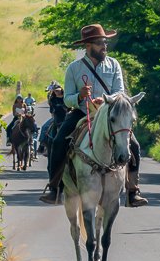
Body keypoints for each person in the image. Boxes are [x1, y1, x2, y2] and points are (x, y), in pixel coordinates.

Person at [39, 23, 149, 207]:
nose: (104, 46)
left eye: (105, 42)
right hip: (82, 112)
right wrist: (80, 96)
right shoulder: (73, 68)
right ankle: (54, 187)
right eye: (100, 43)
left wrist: (105, 100)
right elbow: (67, 99)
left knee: (134, 146)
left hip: (108, 113)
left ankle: (132, 191)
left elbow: (119, 91)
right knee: (58, 141)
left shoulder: (114, 65)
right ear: (88, 46)